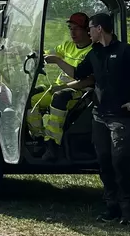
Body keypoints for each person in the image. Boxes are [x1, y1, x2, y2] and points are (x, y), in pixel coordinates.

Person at [71, 12, 130, 226]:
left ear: (99, 29)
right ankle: (111, 208)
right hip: (99, 116)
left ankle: (128, 211)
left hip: (120, 118)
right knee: (104, 162)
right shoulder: (94, 53)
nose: (88, 32)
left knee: (120, 162)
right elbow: (78, 74)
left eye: (90, 28)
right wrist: (55, 60)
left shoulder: (125, 50)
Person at [27, 12, 92, 152]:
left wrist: (62, 86)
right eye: (70, 28)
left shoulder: (92, 52)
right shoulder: (68, 46)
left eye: (76, 29)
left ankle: (53, 144)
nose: (72, 33)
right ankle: (39, 138)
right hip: (59, 87)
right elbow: (48, 53)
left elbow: (87, 81)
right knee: (30, 97)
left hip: (79, 92)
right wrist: (34, 53)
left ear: (87, 30)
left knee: (60, 97)